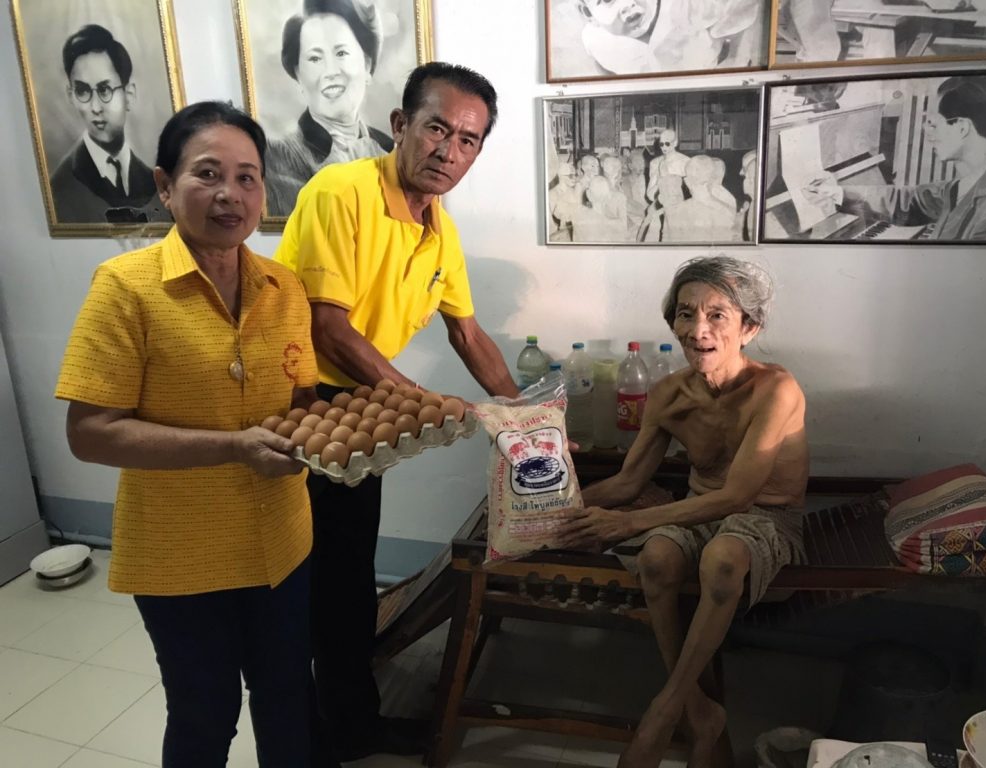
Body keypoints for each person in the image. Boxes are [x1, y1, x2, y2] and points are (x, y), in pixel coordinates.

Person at [54, 101, 319, 766]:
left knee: (290, 698)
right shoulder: (126, 288)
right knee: (205, 715)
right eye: (208, 174)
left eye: (247, 177)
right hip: (181, 555)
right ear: (165, 185)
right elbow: (90, 433)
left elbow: (302, 397)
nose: (230, 194)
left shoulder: (283, 287)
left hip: (283, 541)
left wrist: (333, 436)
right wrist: (233, 447)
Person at [274, 61, 519, 764]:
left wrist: (527, 419)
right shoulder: (341, 192)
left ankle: (347, 719)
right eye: (437, 129)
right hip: (302, 403)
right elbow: (329, 329)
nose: (449, 150)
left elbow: (467, 334)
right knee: (320, 578)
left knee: (349, 570)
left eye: (468, 140)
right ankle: (326, 731)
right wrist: (422, 401)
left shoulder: (438, 228)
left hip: (359, 398)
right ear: (400, 125)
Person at [560, 256, 808, 768]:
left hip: (765, 516)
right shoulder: (668, 394)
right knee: (656, 559)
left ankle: (666, 708)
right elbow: (629, 481)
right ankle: (699, 709)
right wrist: (557, 509)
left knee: (722, 557)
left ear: (749, 328)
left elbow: (738, 497)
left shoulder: (776, 389)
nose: (699, 330)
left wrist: (628, 522)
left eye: (718, 315)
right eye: (686, 313)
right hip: (698, 511)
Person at [802, 74, 986, 241]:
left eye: (933, 123)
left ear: (962, 127)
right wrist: (837, 193)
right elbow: (910, 202)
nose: (927, 131)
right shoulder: (980, 177)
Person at [265, 0, 394, 216]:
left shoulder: (391, 151)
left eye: (341, 53)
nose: (330, 72)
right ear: (298, 75)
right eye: (315, 58)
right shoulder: (277, 161)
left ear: (367, 65)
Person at [49, 24, 168, 224]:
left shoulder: (153, 181)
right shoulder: (60, 189)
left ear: (129, 95)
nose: (95, 107)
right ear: (71, 96)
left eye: (104, 90)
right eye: (83, 91)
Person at [572, 0, 765, 76]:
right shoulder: (595, 39)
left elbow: (747, 12)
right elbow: (603, 66)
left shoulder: (691, 7)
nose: (628, 3)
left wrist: (735, 61)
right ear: (587, 13)